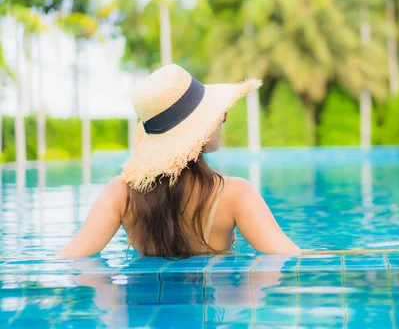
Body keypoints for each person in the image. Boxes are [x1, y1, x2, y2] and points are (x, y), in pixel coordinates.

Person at [58, 64, 300, 258]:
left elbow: (69, 260)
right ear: (199, 132)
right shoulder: (236, 194)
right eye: (217, 114)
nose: (223, 118)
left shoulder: (120, 194)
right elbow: (289, 260)